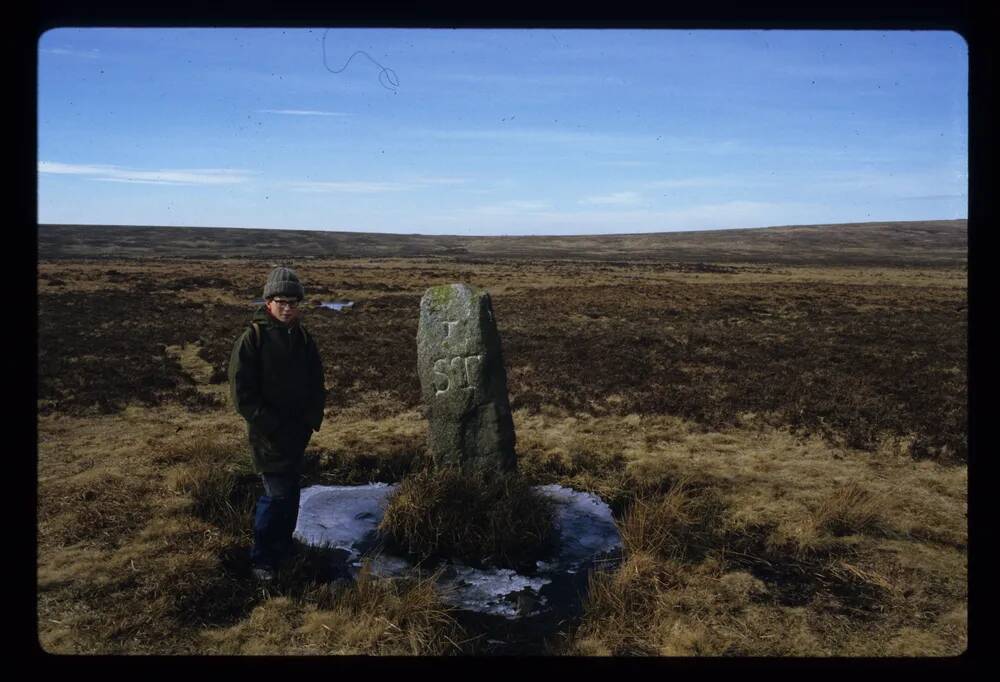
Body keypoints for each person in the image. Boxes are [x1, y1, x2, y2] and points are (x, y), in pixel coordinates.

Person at [228, 266, 326, 582]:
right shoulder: (252, 339)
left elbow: (316, 381)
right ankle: (262, 559)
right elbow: (242, 393)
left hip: (296, 433)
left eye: (293, 303)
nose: (287, 308)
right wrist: (269, 425)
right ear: (268, 301)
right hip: (268, 436)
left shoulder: (302, 337)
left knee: (292, 494)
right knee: (276, 495)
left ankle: (283, 549)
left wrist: (311, 419)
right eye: (281, 301)